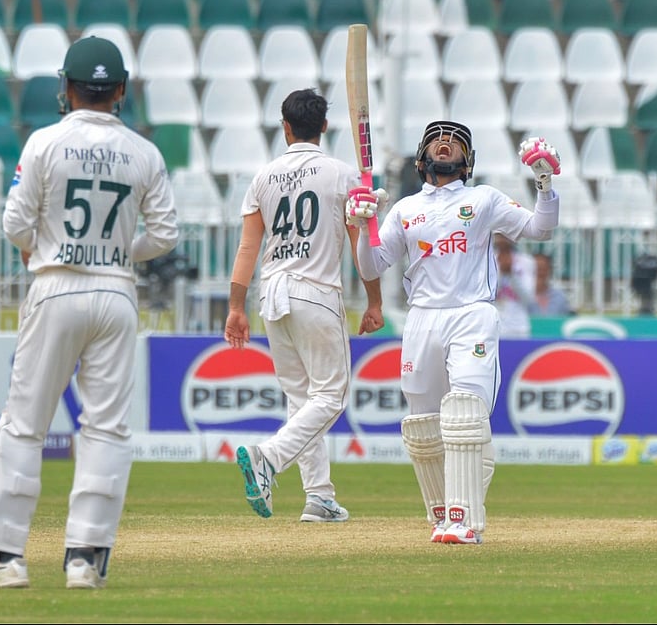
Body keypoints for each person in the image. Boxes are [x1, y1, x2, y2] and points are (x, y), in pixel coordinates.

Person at [0, 36, 179, 589]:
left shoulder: (44, 143)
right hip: (116, 293)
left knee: (23, 425)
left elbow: (15, 224)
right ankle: (85, 559)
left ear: (66, 88)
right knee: (105, 428)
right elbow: (166, 235)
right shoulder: (144, 152)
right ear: (122, 91)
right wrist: (118, 252)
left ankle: (5, 559)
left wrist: (49, 247)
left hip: (56, 284)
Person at [348, 122, 562, 544]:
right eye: (436, 139)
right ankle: (441, 515)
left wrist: (544, 183)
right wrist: (361, 227)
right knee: (424, 425)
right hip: (422, 318)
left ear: (468, 161)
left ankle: (464, 521)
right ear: (420, 158)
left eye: (455, 141)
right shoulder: (406, 209)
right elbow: (371, 267)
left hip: (471, 314)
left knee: (465, 413)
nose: (444, 143)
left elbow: (541, 228)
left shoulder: (482, 199)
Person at [226, 88, 384, 523]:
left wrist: (236, 307)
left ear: (286, 127)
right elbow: (363, 246)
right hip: (316, 291)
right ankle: (269, 458)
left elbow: (247, 249)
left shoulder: (264, 176)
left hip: (271, 294)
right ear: (325, 127)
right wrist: (374, 301)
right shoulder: (344, 175)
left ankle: (319, 496)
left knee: (302, 400)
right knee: (329, 397)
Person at [493, 235, 535, 337]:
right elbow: (487, 295)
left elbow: (529, 298)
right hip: (494, 326)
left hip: (519, 327)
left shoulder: (526, 261)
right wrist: (500, 273)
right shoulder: (488, 259)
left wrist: (512, 275)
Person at [529, 251, 574, 317]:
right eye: (536, 269)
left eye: (543, 269)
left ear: (549, 270)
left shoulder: (559, 297)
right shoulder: (519, 296)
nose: (539, 273)